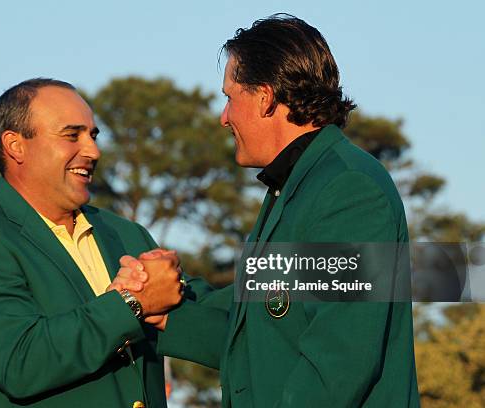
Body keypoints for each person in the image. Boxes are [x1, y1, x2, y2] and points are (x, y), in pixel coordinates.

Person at [123, 14, 420, 407]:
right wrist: (160, 308)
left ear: (264, 97)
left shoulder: (349, 188)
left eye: (229, 97)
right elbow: (260, 331)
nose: (223, 117)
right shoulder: (298, 184)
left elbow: (337, 365)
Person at [0, 78, 183, 407]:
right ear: (15, 145)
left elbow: (217, 319)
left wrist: (268, 283)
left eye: (92, 135)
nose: (93, 151)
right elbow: (21, 362)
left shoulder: (127, 234)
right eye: (71, 135)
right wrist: (131, 304)